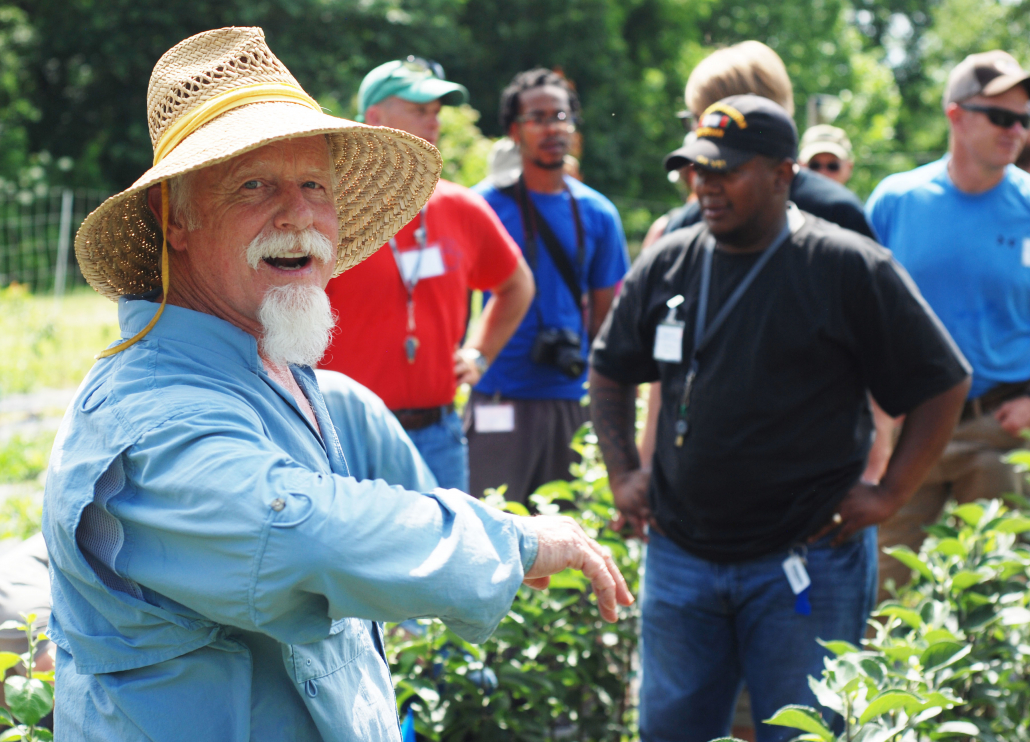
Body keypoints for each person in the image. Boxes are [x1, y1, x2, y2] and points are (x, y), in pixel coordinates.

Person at [43, 28, 632, 742]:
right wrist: (511, 541)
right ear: (176, 221)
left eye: (314, 185)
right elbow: (299, 537)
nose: (298, 214)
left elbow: (385, 516)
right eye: (253, 185)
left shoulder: (286, 383)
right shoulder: (150, 418)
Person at [589, 94, 970, 742]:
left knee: (805, 734)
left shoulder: (846, 265)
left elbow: (943, 381)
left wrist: (890, 494)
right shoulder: (670, 260)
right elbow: (610, 369)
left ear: (782, 173)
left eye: (726, 170)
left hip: (807, 558)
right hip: (683, 556)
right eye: (698, 170)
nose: (706, 185)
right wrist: (624, 470)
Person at [639, 40, 879, 473]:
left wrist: (874, 480)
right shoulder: (683, 226)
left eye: (696, 120)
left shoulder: (835, 213)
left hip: (814, 490)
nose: (694, 136)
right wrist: (642, 473)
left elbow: (882, 361)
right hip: (697, 496)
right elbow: (664, 366)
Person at [319, 58, 534, 492]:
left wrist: (478, 354)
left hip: (436, 434)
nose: (433, 122)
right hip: (341, 435)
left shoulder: (460, 206)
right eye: (419, 110)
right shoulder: (327, 208)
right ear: (374, 117)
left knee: (449, 558)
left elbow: (517, 286)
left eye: (437, 111)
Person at [865, 50, 1030, 592]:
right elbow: (857, 314)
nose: (1016, 131)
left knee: (998, 601)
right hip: (907, 430)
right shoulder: (897, 200)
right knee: (887, 596)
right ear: (956, 115)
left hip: (998, 428)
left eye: (1025, 119)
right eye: (1001, 117)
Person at [467, 68, 630, 504]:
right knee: (488, 532)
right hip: (497, 395)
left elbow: (606, 320)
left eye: (561, 116)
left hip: (568, 398)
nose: (553, 127)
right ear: (513, 131)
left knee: (568, 544)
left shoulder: (598, 214)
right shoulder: (481, 207)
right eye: (538, 117)